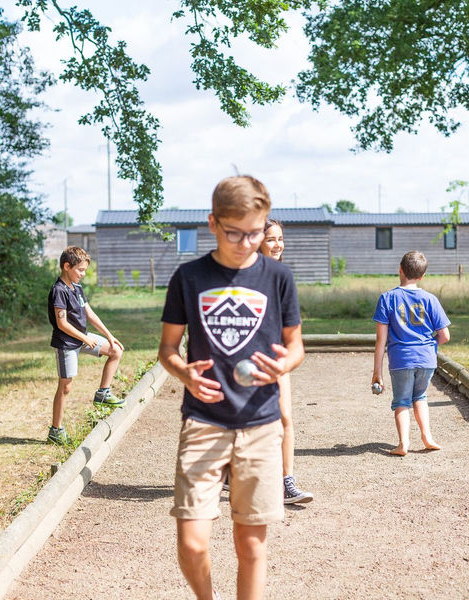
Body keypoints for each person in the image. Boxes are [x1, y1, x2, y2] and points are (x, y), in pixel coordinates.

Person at [158, 175, 304, 600]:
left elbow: (296, 346)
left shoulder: (278, 277)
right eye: (233, 233)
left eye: (255, 233)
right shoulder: (189, 278)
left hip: (261, 424)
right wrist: (184, 372)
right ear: (212, 224)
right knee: (191, 543)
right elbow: (167, 348)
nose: (245, 243)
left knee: (251, 544)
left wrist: (282, 365)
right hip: (204, 422)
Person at [371, 250, 451, 456]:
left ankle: (403, 444)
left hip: (401, 360)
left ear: (400, 269)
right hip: (426, 359)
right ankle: (427, 437)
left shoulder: (387, 298)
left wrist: (377, 372)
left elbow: (381, 340)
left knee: (401, 402)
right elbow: (445, 336)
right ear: (422, 276)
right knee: (420, 397)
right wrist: (428, 345)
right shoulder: (430, 299)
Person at [47, 246, 125, 445]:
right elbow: (62, 323)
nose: (83, 274)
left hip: (82, 337)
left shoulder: (77, 288)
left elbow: (89, 313)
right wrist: (84, 338)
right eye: (80, 270)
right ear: (67, 266)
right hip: (66, 342)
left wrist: (109, 336)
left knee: (115, 350)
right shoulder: (59, 290)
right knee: (66, 387)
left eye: (84, 271)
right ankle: (56, 430)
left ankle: (103, 393)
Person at [260, 218, 313, 504]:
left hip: (277, 356)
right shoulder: (247, 275)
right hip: (250, 357)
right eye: (271, 239)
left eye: (280, 238)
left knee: (285, 418)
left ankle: (286, 482)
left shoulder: (284, 275)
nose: (277, 244)